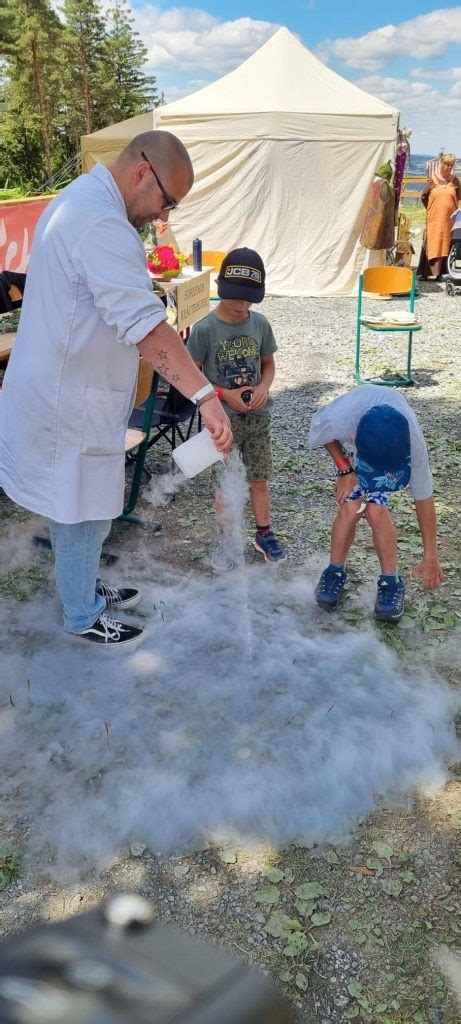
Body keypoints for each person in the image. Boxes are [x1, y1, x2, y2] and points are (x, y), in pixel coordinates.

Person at [0, 131, 232, 647]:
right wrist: (205, 397)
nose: (162, 217)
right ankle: (80, 614)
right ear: (141, 173)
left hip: (73, 390)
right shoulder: (101, 222)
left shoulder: (84, 199)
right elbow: (147, 328)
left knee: (87, 502)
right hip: (68, 399)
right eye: (165, 202)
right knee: (80, 505)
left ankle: (82, 587)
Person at [309, 384, 443, 622]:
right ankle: (334, 571)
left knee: (376, 509)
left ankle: (391, 582)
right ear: (354, 439)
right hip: (354, 454)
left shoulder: (413, 444)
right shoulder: (341, 418)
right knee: (350, 506)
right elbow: (323, 431)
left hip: (378, 445)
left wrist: (430, 555)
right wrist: (345, 469)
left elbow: (424, 498)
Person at [187, 248, 286, 566]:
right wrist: (222, 395)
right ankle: (225, 540)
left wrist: (263, 387)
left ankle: (264, 534)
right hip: (223, 422)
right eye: (236, 298)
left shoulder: (261, 324)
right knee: (227, 484)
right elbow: (192, 375)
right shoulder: (204, 330)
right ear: (221, 288)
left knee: (259, 479)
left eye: (249, 300)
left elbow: (268, 364)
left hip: (258, 419)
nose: (242, 305)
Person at [417, 153, 459, 280]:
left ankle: (441, 273)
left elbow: (458, 197)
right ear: (441, 164)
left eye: (450, 165)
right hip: (434, 218)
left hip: (449, 219)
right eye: (446, 164)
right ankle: (426, 273)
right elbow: (424, 196)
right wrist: (432, 209)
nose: (448, 167)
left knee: (446, 243)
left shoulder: (455, 181)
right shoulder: (433, 180)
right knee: (432, 242)